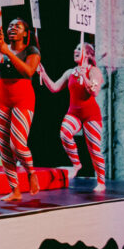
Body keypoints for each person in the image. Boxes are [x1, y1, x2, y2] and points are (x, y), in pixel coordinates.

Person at [38, 42, 106, 192]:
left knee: (94, 149)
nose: (75, 50)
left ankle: (101, 181)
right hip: (74, 113)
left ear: (88, 54)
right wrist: (43, 74)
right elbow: (54, 88)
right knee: (64, 133)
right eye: (75, 48)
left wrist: (84, 77)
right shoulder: (70, 72)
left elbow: (94, 92)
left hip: (91, 115)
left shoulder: (94, 71)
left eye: (79, 49)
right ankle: (76, 164)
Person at [0, 18, 41, 201]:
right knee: (4, 147)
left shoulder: (31, 50)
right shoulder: (1, 49)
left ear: (25, 33)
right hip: (2, 100)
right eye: (10, 26)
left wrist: (8, 53)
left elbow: (28, 71)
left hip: (23, 99)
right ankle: (15, 190)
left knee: (17, 144)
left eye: (17, 26)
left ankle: (31, 172)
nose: (12, 28)